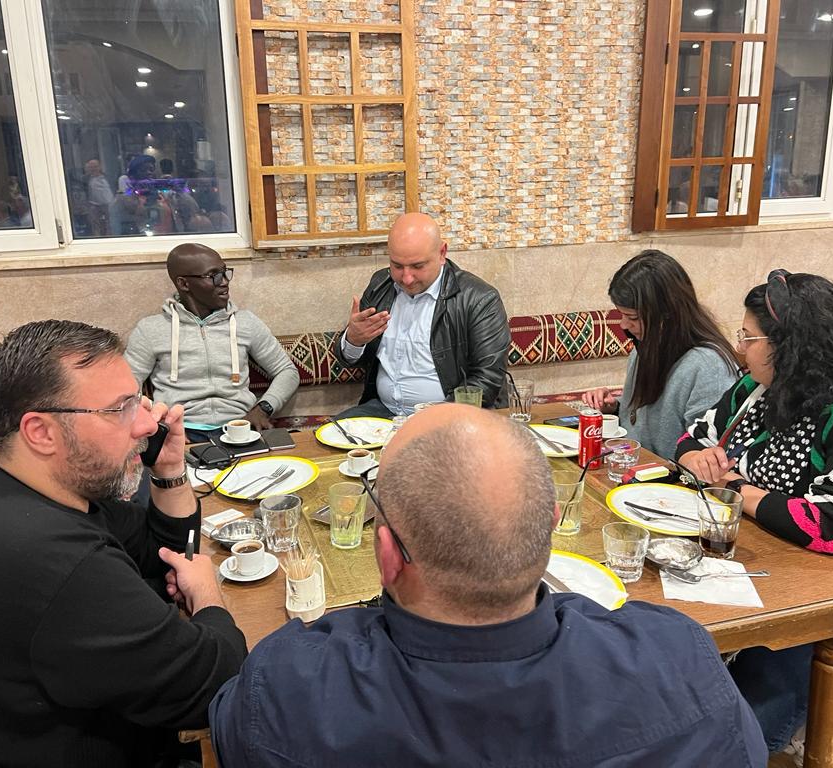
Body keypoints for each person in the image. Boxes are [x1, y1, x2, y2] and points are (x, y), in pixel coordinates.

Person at [210, 403, 768, 767]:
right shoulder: (679, 661)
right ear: (550, 530)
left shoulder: (288, 686)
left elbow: (227, 736)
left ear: (387, 556)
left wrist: (210, 606)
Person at [0, 320, 247, 767]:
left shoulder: (13, 489)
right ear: (41, 432)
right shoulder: (48, 555)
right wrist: (207, 594)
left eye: (139, 401)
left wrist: (168, 470)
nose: (149, 423)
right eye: (121, 409)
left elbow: (162, 550)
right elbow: (217, 684)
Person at [676, 270, 833, 757]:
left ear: (791, 347)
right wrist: (696, 457)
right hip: (785, 572)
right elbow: (694, 436)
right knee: (681, 660)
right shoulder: (759, 389)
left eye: (748, 338)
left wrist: (737, 489)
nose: (740, 349)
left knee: (750, 700)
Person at [334, 212, 510, 417]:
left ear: (442, 253)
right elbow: (349, 360)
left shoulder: (479, 299)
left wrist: (429, 418)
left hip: (450, 415)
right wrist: (354, 341)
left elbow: (487, 379)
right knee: (330, 433)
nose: (407, 278)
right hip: (383, 411)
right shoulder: (380, 286)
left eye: (417, 266)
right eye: (397, 266)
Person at [125, 243, 299, 433]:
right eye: (213, 276)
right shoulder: (150, 330)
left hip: (240, 427)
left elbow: (287, 371)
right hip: (180, 430)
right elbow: (125, 388)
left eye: (225, 273)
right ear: (184, 284)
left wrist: (263, 409)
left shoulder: (246, 322)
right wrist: (158, 424)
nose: (224, 282)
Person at [583, 250, 738, 458]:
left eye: (633, 317)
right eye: (621, 315)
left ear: (667, 315)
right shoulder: (647, 347)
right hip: (634, 465)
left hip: (669, 475)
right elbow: (641, 424)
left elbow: (706, 452)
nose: (623, 325)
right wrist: (614, 408)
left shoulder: (708, 367)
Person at [84, 158, 114, 236]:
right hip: (94, 205)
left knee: (110, 223)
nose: (93, 169)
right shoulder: (86, 179)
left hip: (109, 204)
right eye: (91, 167)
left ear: (100, 167)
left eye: (95, 166)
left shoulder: (108, 177)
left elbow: (114, 188)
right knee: (95, 224)